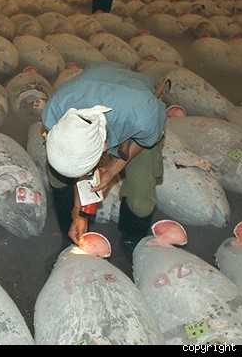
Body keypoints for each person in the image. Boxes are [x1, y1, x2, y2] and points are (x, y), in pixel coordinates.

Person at [42, 61, 166, 256]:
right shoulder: (53, 112)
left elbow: (145, 141)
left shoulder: (143, 118)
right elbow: (80, 171)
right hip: (92, 83)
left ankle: (132, 241)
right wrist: (79, 213)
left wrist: (112, 169)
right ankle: (69, 234)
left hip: (133, 97)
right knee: (57, 177)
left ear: (104, 148)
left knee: (140, 197)